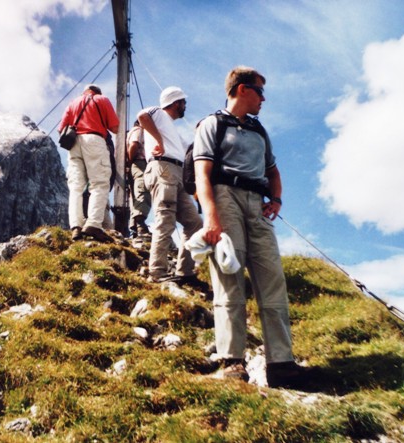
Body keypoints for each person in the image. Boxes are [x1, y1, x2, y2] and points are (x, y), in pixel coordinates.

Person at [192, 66, 309, 388]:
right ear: (242, 89)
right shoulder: (212, 124)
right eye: (260, 91)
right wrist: (211, 216)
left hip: (257, 204)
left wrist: (277, 200)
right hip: (224, 196)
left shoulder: (260, 132)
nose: (264, 99)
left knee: (272, 277)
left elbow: (273, 171)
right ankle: (232, 361)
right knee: (229, 277)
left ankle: (281, 364)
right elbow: (203, 174)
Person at [137, 86, 204, 287]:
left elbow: (190, 152)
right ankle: (157, 271)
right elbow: (142, 115)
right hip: (163, 168)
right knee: (165, 218)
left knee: (195, 223)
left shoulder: (174, 131)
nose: (185, 106)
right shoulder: (158, 112)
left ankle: (185, 271)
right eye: (183, 102)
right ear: (176, 102)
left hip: (178, 173)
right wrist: (158, 141)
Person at [59, 84, 119, 242]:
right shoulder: (102, 99)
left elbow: (62, 128)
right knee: (99, 183)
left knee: (76, 186)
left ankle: (76, 226)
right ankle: (93, 224)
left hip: (74, 144)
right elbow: (115, 127)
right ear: (98, 92)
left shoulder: (73, 102)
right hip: (94, 139)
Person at [126, 120, 151, 237]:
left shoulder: (133, 132)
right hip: (139, 163)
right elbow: (134, 144)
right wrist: (130, 161)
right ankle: (140, 224)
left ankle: (135, 226)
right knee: (142, 189)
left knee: (135, 194)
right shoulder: (138, 130)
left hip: (136, 163)